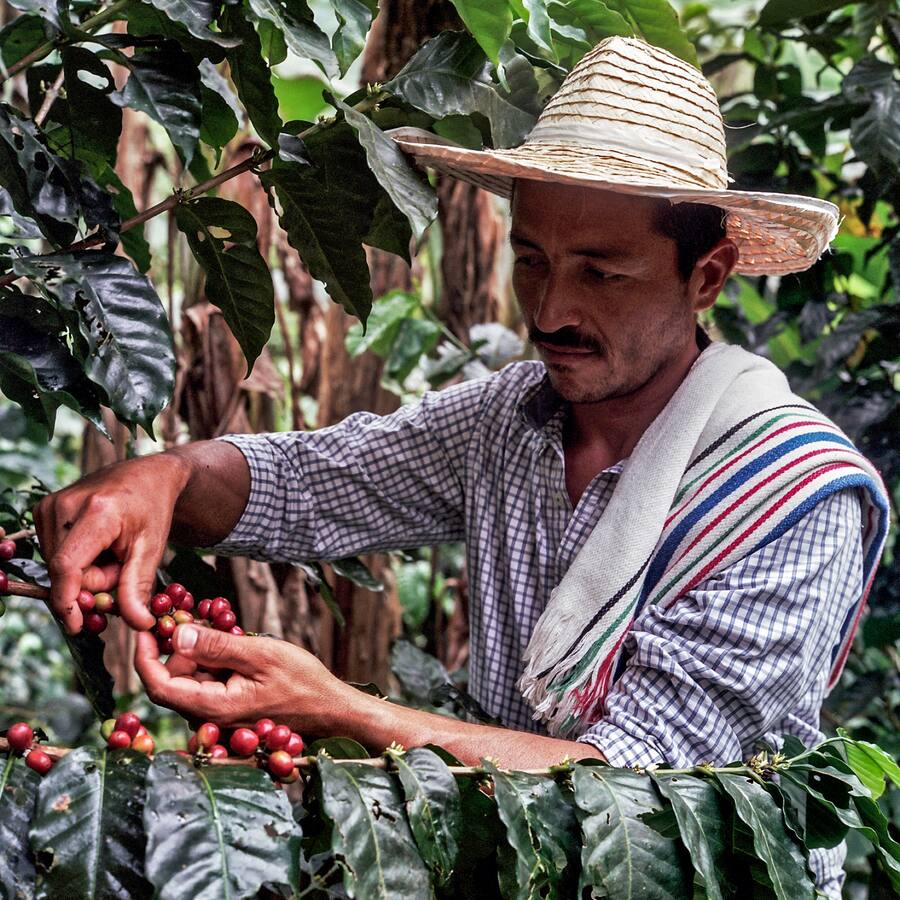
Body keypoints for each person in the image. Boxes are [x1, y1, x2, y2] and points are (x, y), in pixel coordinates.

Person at [34, 37, 887, 895]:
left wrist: (338, 710)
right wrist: (164, 478)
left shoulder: (790, 497)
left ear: (706, 277)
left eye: (602, 273)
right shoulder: (510, 421)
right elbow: (310, 483)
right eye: (533, 260)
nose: (550, 310)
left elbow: (641, 794)